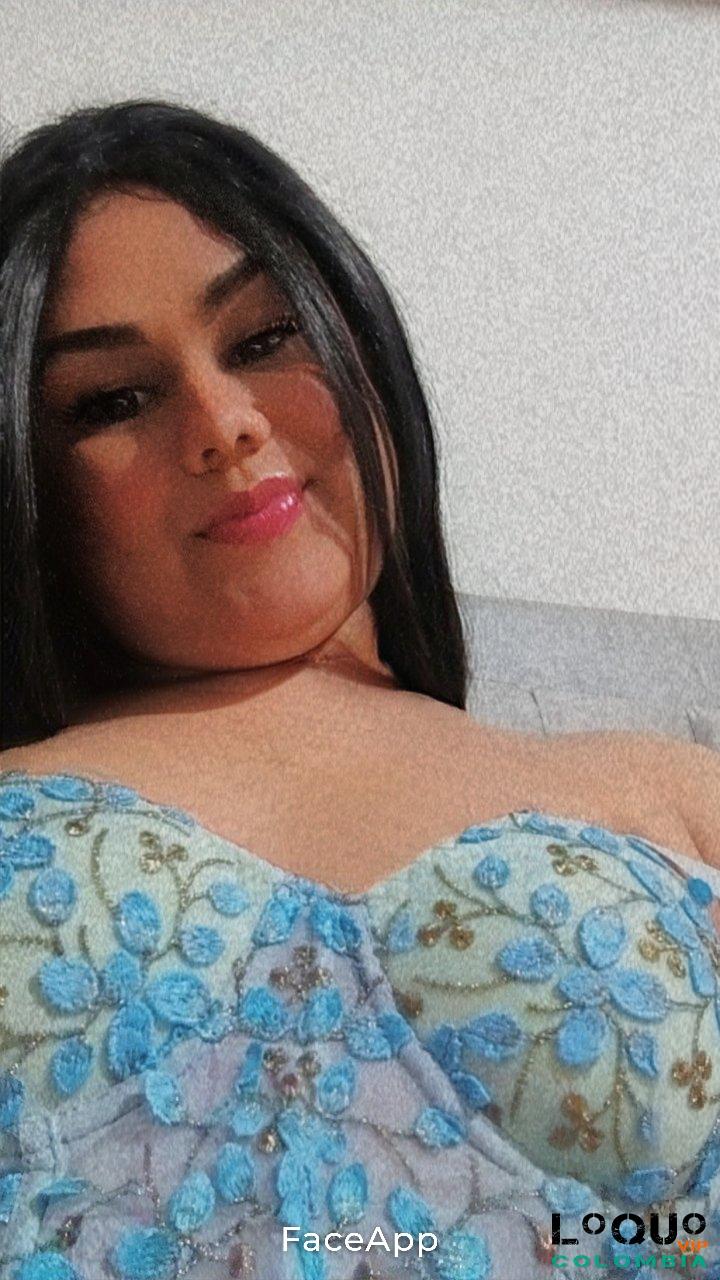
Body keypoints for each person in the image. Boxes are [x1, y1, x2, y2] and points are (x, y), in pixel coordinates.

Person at [1, 99, 719, 1280]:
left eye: (265, 336)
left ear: (362, 342)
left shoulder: (671, 800)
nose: (223, 424)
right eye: (113, 400)